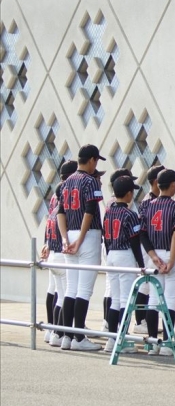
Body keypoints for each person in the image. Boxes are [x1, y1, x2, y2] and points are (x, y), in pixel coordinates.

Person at [56, 145, 106, 351]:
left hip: (69, 234)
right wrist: (81, 238)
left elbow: (60, 212)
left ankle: (67, 337)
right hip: (88, 235)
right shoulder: (91, 180)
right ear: (92, 160)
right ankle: (78, 338)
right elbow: (90, 210)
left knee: (71, 289)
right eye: (96, 160)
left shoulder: (67, 181)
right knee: (83, 290)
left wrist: (65, 238)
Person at [140, 169, 175, 356]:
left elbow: (143, 234)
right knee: (170, 299)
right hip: (170, 253)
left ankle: (152, 343)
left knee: (153, 298)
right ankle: (167, 343)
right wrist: (172, 260)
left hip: (154, 255)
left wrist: (153, 256)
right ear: (173, 185)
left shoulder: (146, 206)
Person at [102, 176, 145, 353]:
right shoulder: (130, 214)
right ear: (128, 194)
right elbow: (135, 241)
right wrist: (141, 264)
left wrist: (109, 255)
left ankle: (112, 339)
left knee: (115, 299)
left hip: (111, 254)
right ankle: (123, 339)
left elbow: (105, 238)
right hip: (125, 254)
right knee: (126, 300)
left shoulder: (108, 211)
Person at [43, 160, 78, 347]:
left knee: (56, 292)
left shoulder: (55, 196)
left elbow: (49, 221)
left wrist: (46, 243)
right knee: (64, 294)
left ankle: (52, 330)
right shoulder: (66, 193)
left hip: (53, 250)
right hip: (60, 252)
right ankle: (58, 332)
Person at [134, 164, 165, 335]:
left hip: (153, 246)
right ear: (155, 181)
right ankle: (140, 321)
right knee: (145, 284)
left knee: (149, 285)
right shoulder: (148, 200)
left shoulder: (155, 198)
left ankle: (144, 320)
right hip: (147, 246)